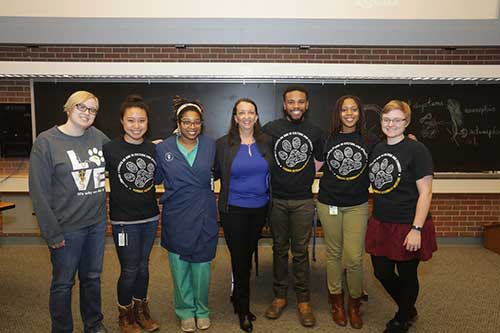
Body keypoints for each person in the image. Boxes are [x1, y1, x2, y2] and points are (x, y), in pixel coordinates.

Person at [29, 91, 109, 333]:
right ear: (68, 108)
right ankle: (62, 329)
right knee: (63, 284)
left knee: (92, 279)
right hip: (66, 228)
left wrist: (156, 145)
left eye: (92, 110)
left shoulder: (98, 137)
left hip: (95, 224)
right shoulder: (46, 142)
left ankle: (93, 325)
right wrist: (51, 233)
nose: (87, 113)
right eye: (81, 107)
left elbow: (122, 151)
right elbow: (39, 192)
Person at [365, 100, 437, 333]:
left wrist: (416, 229)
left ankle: (403, 316)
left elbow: (425, 192)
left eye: (397, 120)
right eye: (387, 120)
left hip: (408, 223)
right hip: (381, 221)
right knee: (381, 272)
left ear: (406, 122)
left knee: (407, 275)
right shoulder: (377, 148)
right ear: (381, 121)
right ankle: (408, 308)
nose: (391, 124)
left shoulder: (417, 150)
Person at [262, 85, 325, 327]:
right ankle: (279, 297)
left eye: (300, 102)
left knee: (300, 252)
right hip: (276, 199)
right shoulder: (270, 129)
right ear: (284, 105)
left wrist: (303, 174)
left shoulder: (316, 131)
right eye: (291, 102)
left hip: (303, 201)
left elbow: (319, 160)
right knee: (279, 249)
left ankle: (303, 300)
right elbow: (253, 149)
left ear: (306, 105)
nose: (296, 106)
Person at [155, 97, 218, 332]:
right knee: (179, 266)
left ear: (201, 124)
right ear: (178, 123)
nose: (192, 127)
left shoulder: (211, 145)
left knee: (202, 267)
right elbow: (155, 177)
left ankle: (201, 309)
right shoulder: (163, 148)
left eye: (196, 122)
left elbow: (221, 171)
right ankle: (185, 311)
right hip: (177, 213)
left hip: (203, 211)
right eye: (186, 122)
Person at [316, 95, 376, 329]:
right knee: (333, 254)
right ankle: (336, 301)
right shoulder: (327, 138)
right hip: (329, 202)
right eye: (344, 110)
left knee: (354, 257)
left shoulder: (369, 141)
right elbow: (314, 166)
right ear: (338, 113)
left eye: (354, 109)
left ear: (360, 113)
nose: (349, 113)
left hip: (357, 205)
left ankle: (354, 303)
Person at [102, 95, 160, 333]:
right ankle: (125, 315)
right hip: (124, 222)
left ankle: (141, 311)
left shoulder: (153, 149)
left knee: (144, 267)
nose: (136, 126)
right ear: (122, 122)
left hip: (149, 218)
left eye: (141, 121)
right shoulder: (109, 149)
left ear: (147, 122)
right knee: (129, 269)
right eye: (131, 120)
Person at [214, 98, 273, 332]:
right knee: (240, 260)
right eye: (242, 113)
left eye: (251, 112)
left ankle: (238, 297)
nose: (247, 116)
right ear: (235, 118)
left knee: (246, 257)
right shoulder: (222, 144)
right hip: (234, 210)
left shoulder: (267, 142)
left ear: (256, 117)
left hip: (260, 209)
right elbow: (214, 171)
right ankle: (243, 309)